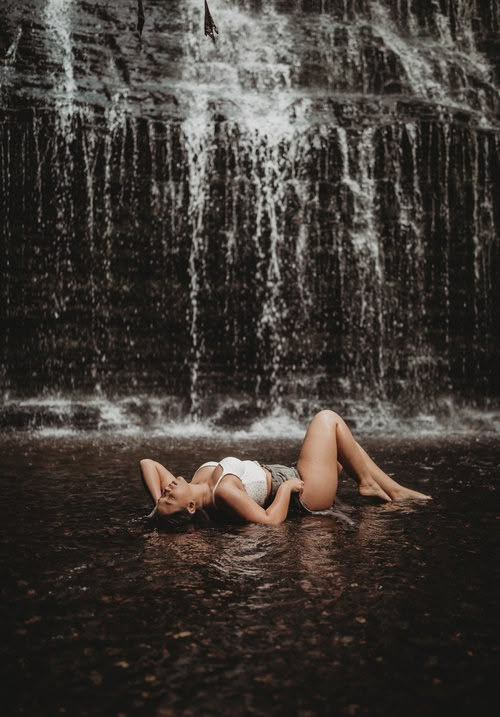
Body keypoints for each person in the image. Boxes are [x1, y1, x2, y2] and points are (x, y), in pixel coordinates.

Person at [139, 410, 431, 529]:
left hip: (288, 471)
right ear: (190, 507)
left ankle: (383, 486)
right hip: (302, 491)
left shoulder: (195, 484)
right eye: (168, 499)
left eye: (163, 495)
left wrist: (156, 507)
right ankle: (375, 484)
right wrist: (288, 490)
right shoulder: (223, 491)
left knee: (342, 450)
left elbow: (147, 464)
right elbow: (268, 522)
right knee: (327, 420)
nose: (165, 490)